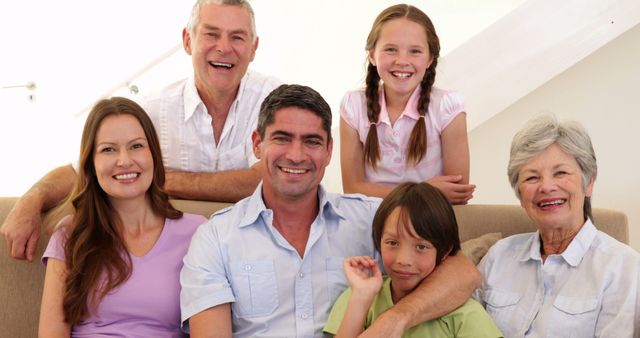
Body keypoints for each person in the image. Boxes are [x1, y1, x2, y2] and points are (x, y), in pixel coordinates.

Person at [180, 84, 481, 337]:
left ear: (328, 151)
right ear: (257, 144)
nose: (296, 155)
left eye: (311, 142)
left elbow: (462, 272)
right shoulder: (216, 237)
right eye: (282, 138)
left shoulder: (373, 218)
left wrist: (395, 319)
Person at [1, 0, 281, 261]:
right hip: (172, 260)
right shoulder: (152, 109)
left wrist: (163, 180)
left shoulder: (274, 100)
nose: (224, 47)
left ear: (254, 47)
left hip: (253, 255)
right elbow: (82, 170)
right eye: (211, 34)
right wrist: (30, 202)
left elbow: (268, 179)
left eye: (237, 37)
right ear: (187, 40)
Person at [38, 97, 207, 337]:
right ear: (90, 164)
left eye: (136, 146)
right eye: (108, 149)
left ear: (154, 155)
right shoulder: (70, 233)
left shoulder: (197, 232)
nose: (125, 161)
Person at [473, 115, 640, 336]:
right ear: (520, 195)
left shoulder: (622, 267)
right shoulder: (498, 256)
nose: (546, 187)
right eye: (532, 178)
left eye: (560, 173)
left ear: (588, 183)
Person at [324, 182, 502, 337]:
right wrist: (361, 298)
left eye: (421, 247)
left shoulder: (466, 314)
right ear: (378, 241)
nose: (404, 260)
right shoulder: (359, 297)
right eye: (392, 243)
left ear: (445, 251)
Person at [340, 4, 475, 204]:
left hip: (426, 225)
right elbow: (352, 189)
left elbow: (456, 193)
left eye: (415, 51)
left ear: (430, 58)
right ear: (372, 55)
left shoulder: (448, 106)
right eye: (391, 50)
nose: (402, 61)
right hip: (370, 222)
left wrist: (381, 193)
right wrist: (425, 190)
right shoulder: (353, 105)